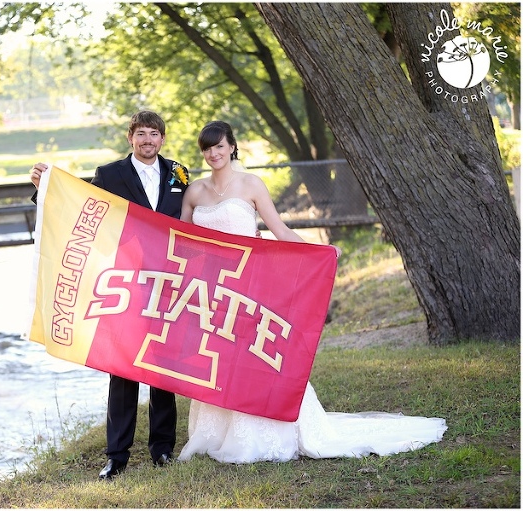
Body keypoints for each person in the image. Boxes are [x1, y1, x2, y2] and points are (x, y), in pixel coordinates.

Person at [177, 120, 447, 464]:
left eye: (219, 146)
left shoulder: (251, 185)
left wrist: (319, 252)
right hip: (211, 290)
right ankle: (216, 432)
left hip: (248, 285)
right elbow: (181, 241)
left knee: (253, 355)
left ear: (231, 146)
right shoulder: (195, 192)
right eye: (207, 148)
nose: (213, 153)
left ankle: (265, 431)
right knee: (218, 356)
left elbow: (279, 229)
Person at [29, 111, 189, 479]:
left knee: (162, 367)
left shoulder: (178, 173)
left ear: (162, 139)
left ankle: (162, 448)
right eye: (141, 134)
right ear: (131, 137)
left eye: (154, 134)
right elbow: (77, 208)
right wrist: (44, 188)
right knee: (124, 369)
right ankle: (117, 455)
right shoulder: (110, 174)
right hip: (125, 282)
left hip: (167, 281)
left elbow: (191, 220)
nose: (148, 140)